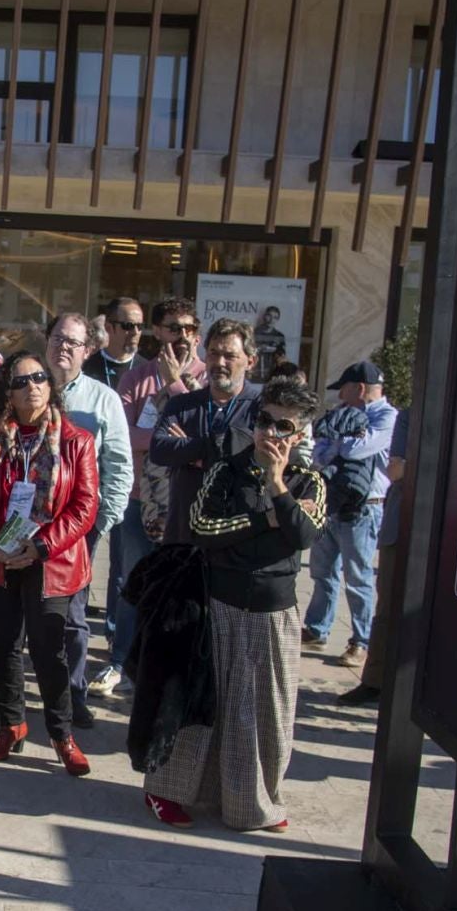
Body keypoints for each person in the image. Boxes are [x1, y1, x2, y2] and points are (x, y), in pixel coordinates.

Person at [143, 376, 326, 832]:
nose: (270, 432)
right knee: (199, 708)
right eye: (264, 420)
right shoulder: (224, 471)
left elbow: (303, 535)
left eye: (283, 426)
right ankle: (164, 790)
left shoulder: (311, 482)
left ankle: (250, 803)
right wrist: (267, 519)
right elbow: (205, 529)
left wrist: (278, 487)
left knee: (264, 714)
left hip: (274, 614)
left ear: (298, 435)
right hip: (218, 606)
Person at [0, 351, 100, 777]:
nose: (33, 386)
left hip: (50, 561)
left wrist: (40, 547)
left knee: (48, 652)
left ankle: (61, 736)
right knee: (4, 646)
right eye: (21, 381)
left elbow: (84, 506)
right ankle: (11, 724)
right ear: (8, 391)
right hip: (0, 560)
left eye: (39, 378)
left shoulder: (76, 441)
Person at [103, 297, 201, 701]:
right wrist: (169, 441)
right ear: (157, 331)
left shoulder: (205, 377)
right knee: (132, 583)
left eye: (189, 329)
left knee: (181, 587)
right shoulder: (134, 378)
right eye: (174, 328)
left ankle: (171, 667)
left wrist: (175, 384)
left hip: (186, 502)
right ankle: (123, 661)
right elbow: (123, 438)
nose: (182, 336)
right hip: (138, 499)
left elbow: (200, 439)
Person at [41, 312, 131, 730]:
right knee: (24, 608)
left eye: (73, 342)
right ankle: (15, 692)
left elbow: (118, 465)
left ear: (87, 351)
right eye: (58, 338)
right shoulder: (26, 387)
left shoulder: (103, 400)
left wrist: (100, 522)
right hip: (28, 519)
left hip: (78, 526)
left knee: (73, 614)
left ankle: (73, 693)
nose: (63, 347)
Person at [304, 359, 397, 666]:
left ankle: (361, 641)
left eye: (343, 389)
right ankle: (318, 627)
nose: (339, 397)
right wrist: (339, 442)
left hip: (363, 509)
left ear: (359, 388)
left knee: (358, 577)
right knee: (322, 570)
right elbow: (319, 452)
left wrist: (338, 442)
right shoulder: (342, 415)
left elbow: (357, 450)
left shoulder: (386, 417)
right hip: (331, 502)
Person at [148, 317, 265, 546]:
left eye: (229, 356)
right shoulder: (182, 405)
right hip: (183, 534)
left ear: (250, 361)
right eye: (213, 353)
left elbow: (254, 461)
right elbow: (159, 450)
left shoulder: (261, 408)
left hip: (236, 538)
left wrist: (190, 453)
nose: (219, 362)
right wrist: (214, 450)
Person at [340, 405, 409, 706]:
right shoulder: (409, 416)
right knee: (389, 608)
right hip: (401, 524)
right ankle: (375, 681)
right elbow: (396, 470)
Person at [87, 295, 144, 391]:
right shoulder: (86, 367)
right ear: (108, 327)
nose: (135, 332)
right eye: (128, 325)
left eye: (140, 326)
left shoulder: (147, 370)